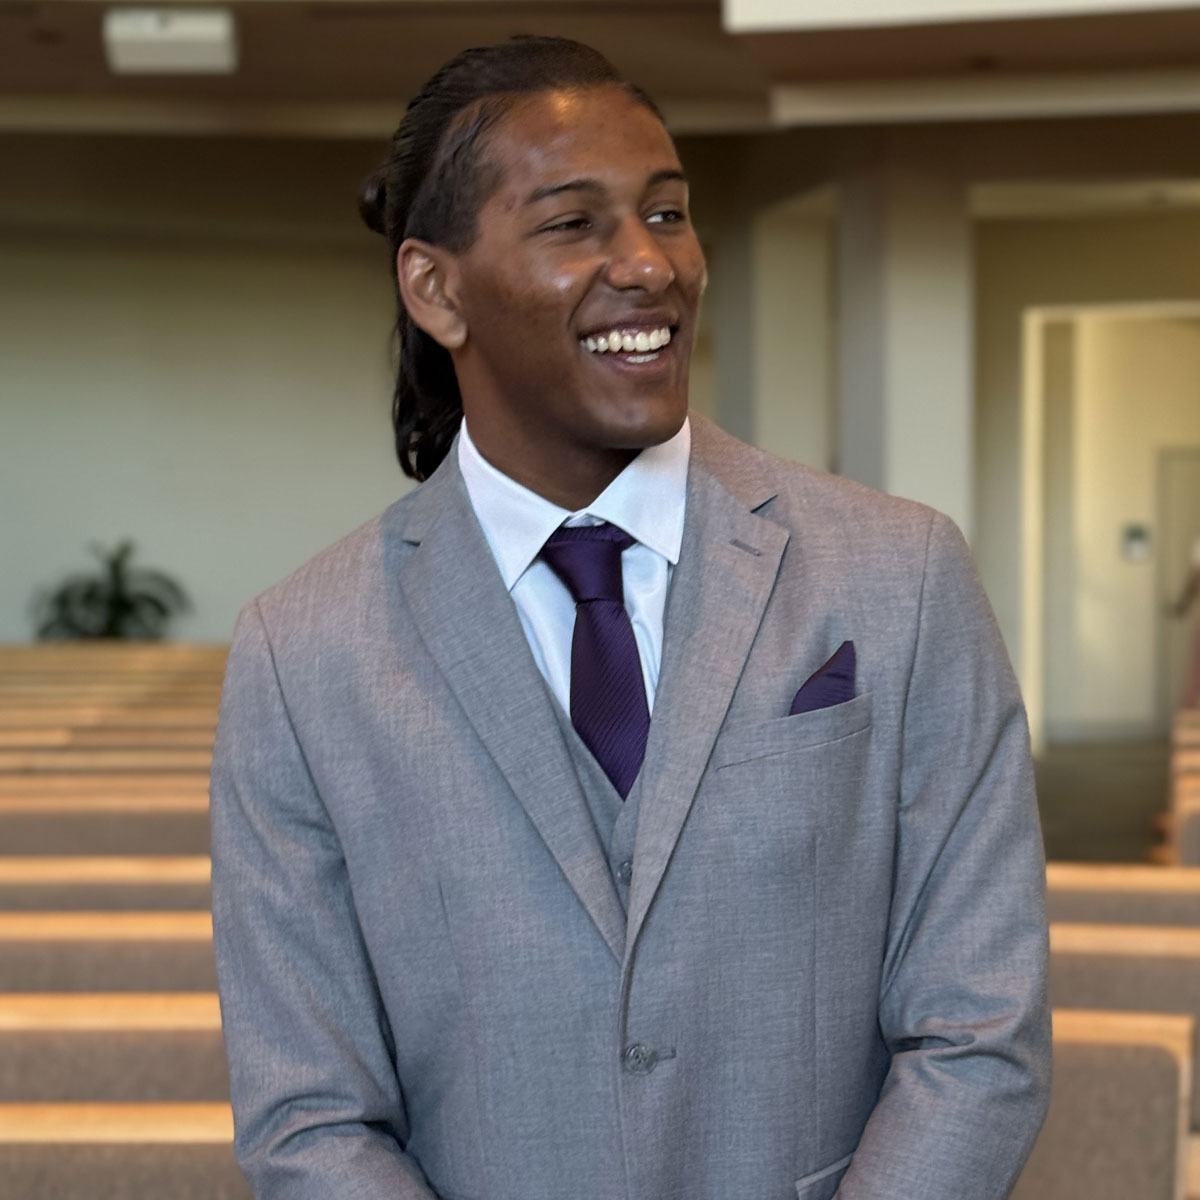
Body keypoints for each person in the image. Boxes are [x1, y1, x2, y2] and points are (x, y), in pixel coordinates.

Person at [210, 35, 1050, 1200]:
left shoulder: (900, 574)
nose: (650, 264)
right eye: (573, 223)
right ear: (436, 288)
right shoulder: (299, 656)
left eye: (668, 213)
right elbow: (309, 1118)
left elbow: (979, 1030)